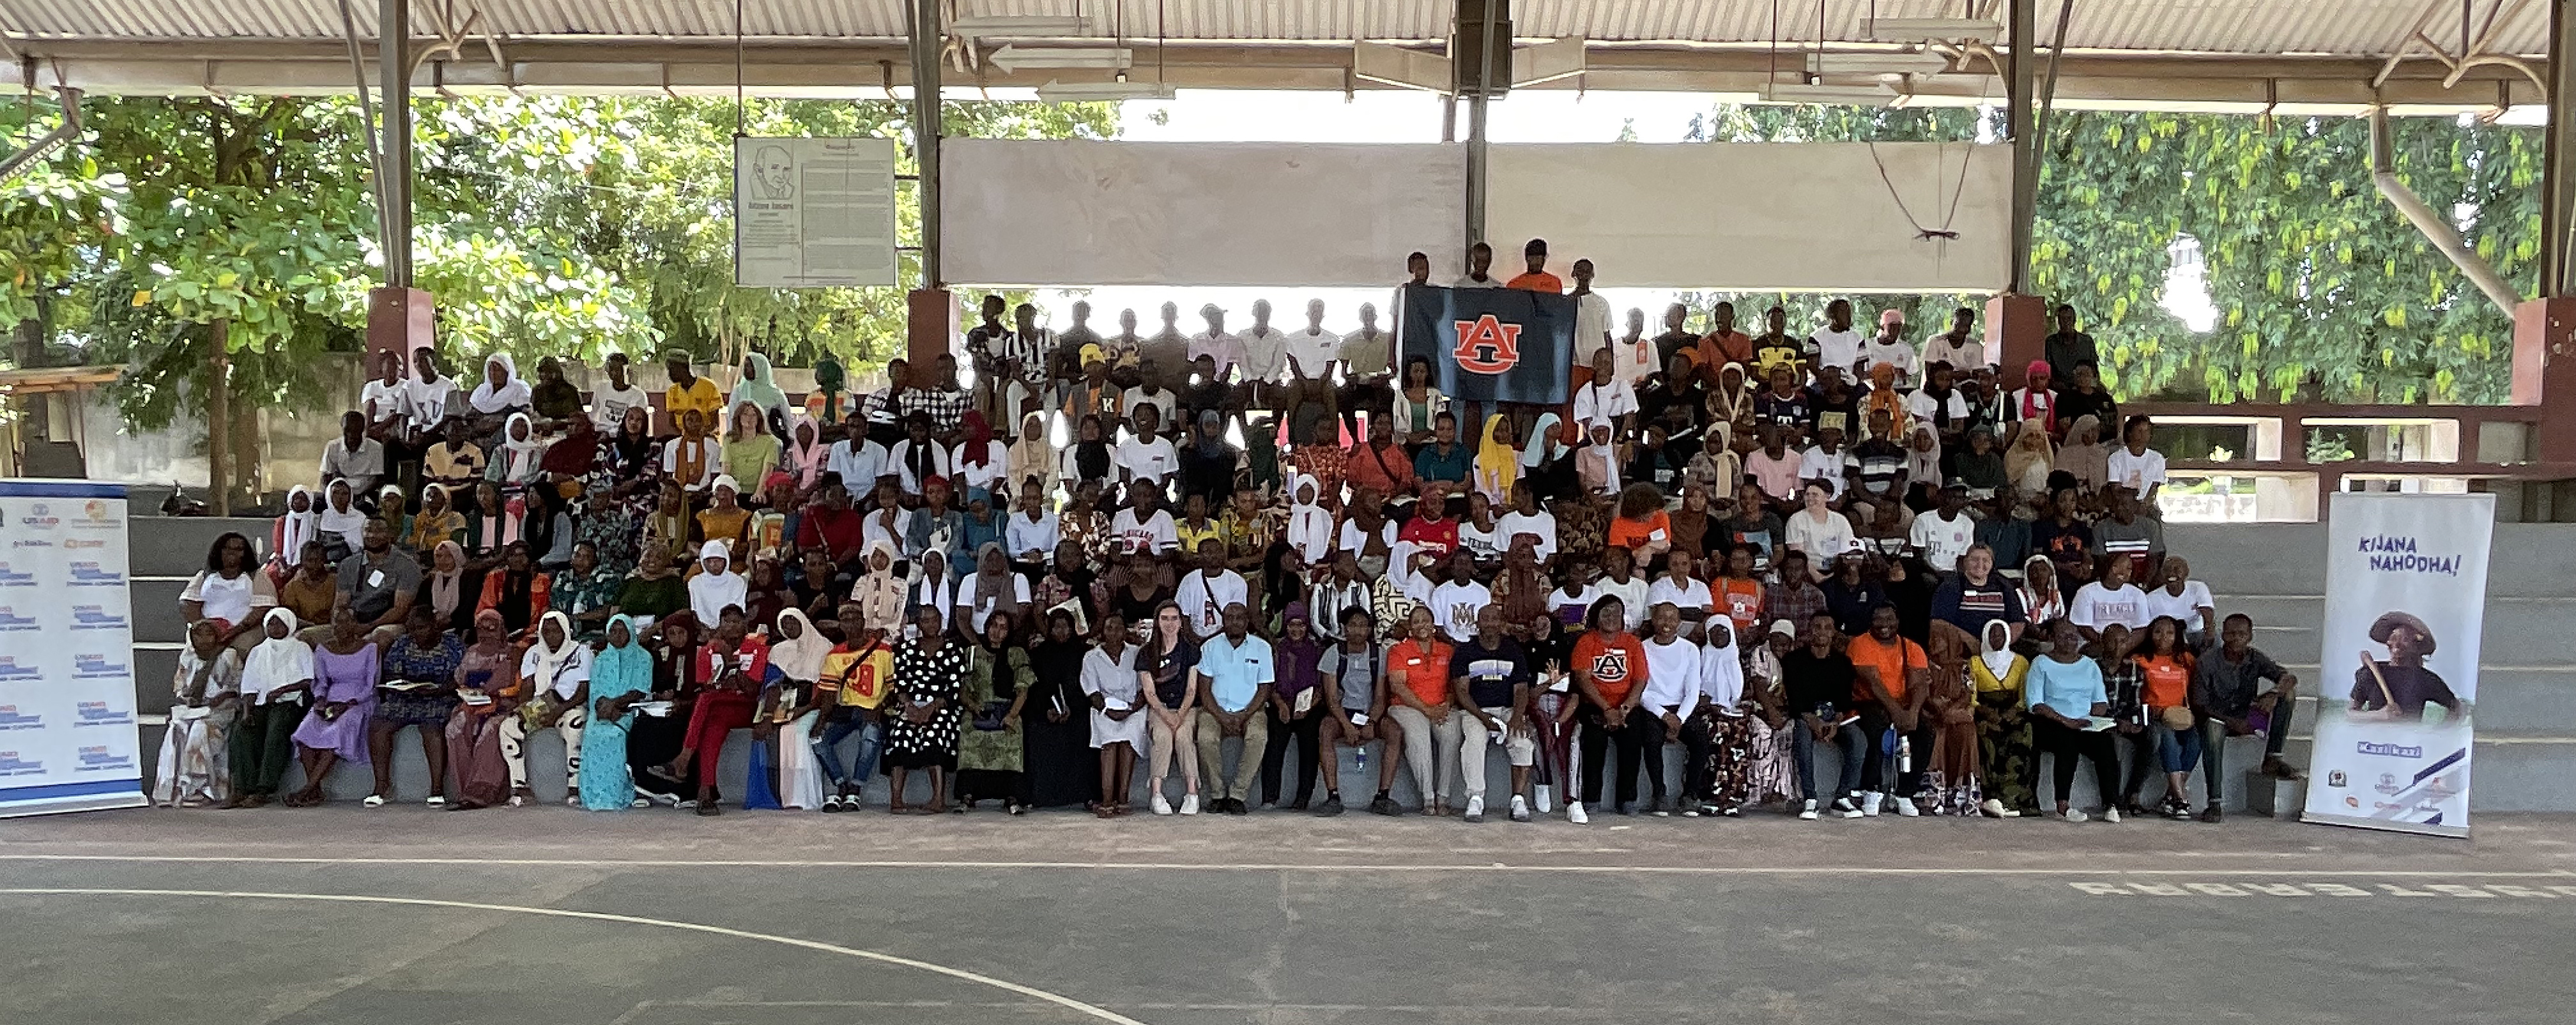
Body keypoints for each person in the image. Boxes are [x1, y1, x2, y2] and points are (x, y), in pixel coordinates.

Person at [2190, 613, 2304, 819]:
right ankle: (2215, 802)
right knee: (2214, 729)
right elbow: (2199, 705)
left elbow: (2288, 677)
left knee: (2288, 693)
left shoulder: (2255, 657)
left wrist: (2273, 693)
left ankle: (2272, 758)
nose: (2236, 639)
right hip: (2217, 718)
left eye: (2241, 634)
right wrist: (2231, 721)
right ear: (2223, 635)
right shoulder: (2207, 662)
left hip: (2245, 714)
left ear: (2250, 636)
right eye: (2231, 634)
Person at [282, 608, 379, 807]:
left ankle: (307, 789)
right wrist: (319, 700)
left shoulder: (370, 649)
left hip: (358, 702)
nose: (339, 627)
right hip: (329, 700)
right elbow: (321, 682)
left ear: (354, 625)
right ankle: (316, 791)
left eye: (345, 622)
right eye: (336, 623)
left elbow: (370, 686)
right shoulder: (323, 649)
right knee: (305, 734)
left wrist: (347, 705)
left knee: (336, 734)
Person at [2026, 618, 2121, 821]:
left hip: (2083, 723)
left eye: (2074, 636)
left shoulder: (2090, 666)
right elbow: (2036, 704)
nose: (2071, 640)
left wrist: (2093, 718)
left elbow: (2100, 702)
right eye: (2064, 636)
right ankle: (2063, 805)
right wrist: (2066, 721)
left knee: (2105, 743)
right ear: (2052, 638)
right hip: (2051, 722)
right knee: (2066, 740)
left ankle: (2112, 804)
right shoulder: (2041, 663)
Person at [1569, 596, 1651, 822]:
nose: (1611, 618)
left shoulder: (1633, 643)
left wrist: (1624, 709)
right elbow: (1583, 680)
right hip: (1594, 705)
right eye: (1606, 613)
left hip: (1626, 705)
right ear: (1596, 616)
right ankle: (1591, 798)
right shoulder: (1586, 642)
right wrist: (1606, 709)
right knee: (1594, 741)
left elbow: (1640, 680)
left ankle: (1627, 798)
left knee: (1633, 739)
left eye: (1616, 613)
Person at [1846, 604, 1931, 816]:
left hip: (1903, 705)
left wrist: (1912, 714)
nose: (1884, 625)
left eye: (1889, 619)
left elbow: (1919, 685)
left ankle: (1905, 793)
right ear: (1870, 621)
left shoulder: (1912, 647)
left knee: (1926, 732)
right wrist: (1897, 712)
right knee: (1877, 726)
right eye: (1879, 619)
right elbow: (1873, 683)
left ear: (1898, 621)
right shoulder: (1861, 644)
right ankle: (1871, 791)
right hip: (1868, 702)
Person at [1191, 602, 1275, 814]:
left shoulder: (1262, 648)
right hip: (1214, 710)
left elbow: (1264, 689)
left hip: (1252, 710)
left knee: (1259, 736)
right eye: (1230, 617)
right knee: (1206, 738)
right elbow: (1205, 690)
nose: (1235, 622)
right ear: (1223, 620)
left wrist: (1245, 715)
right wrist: (1221, 716)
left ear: (1247, 621)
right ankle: (1218, 794)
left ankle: (1238, 794)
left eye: (1240, 618)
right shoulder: (1209, 647)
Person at [225, 608, 313, 809]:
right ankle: (241, 788)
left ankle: (264, 788)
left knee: (277, 730)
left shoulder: (301, 648)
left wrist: (283, 690)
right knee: (241, 732)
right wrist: (247, 712)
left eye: (280, 624)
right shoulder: (258, 651)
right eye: (271, 624)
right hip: (260, 704)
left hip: (289, 702)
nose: (275, 628)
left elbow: (308, 680)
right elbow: (249, 686)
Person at [1782, 612, 1867, 819]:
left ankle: (1842, 796)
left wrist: (1836, 722)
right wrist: (1813, 721)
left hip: (1835, 719)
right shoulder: (1794, 661)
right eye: (1817, 627)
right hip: (1807, 717)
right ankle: (1810, 799)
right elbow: (1795, 698)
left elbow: (1845, 700)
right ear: (1809, 631)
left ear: (1834, 633)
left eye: (1827, 628)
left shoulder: (1843, 663)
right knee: (1801, 734)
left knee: (1858, 738)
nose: (1822, 632)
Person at [1316, 606, 1398, 816]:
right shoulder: (1333, 654)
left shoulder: (1378, 655)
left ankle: (1383, 796)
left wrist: (1370, 723)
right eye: (1353, 625)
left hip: (1370, 712)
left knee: (1394, 733)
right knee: (1326, 730)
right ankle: (1333, 795)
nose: (1359, 630)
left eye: (1363, 626)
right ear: (1345, 629)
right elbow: (1332, 699)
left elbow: (1380, 697)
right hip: (1343, 712)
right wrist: (1347, 726)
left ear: (1370, 630)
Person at [505, 611, 592, 807]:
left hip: (570, 705)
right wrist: (524, 709)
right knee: (509, 727)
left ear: (565, 632)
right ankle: (520, 786)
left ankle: (574, 787)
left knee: (575, 726)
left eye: (555, 632)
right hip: (542, 705)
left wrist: (558, 712)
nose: (551, 637)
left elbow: (583, 691)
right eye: (546, 632)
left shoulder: (581, 652)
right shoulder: (534, 653)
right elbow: (527, 686)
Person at [153, 619, 241, 807]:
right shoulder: (188, 656)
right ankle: (176, 789)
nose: (203, 640)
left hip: (221, 709)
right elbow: (180, 686)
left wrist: (221, 697)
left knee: (200, 731)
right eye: (198, 635)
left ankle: (201, 788)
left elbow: (237, 686)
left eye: (209, 634)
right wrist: (186, 698)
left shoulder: (228, 655)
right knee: (177, 729)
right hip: (194, 709)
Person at [1384, 605, 1459, 816]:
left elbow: (1455, 686)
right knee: (1419, 737)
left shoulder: (1447, 651)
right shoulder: (1399, 651)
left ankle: (1443, 797)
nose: (1421, 625)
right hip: (1407, 707)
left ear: (1434, 624)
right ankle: (1428, 798)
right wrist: (1427, 710)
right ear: (1410, 627)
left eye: (1425, 620)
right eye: (1416, 622)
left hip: (1441, 707)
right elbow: (1398, 686)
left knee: (1452, 736)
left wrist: (1446, 704)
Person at [955, 612, 1033, 813]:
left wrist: (1012, 715)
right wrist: (973, 707)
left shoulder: (1017, 654)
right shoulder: (973, 653)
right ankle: (968, 794)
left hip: (1007, 708)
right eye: (994, 626)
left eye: (1003, 628)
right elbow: (963, 689)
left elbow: (1023, 690)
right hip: (979, 708)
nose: (997, 632)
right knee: (970, 731)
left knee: (1012, 734)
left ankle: (1012, 796)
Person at [1023, 608, 1099, 810]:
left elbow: (1087, 687)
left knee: (1083, 733)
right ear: (1049, 629)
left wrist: (1072, 708)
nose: (1062, 632)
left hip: (1076, 712)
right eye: (1057, 627)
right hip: (1045, 713)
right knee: (1037, 733)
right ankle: (1040, 796)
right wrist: (1046, 710)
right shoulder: (1038, 654)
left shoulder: (1083, 654)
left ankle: (1086, 795)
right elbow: (1035, 689)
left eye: (1066, 627)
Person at [579, 615, 655, 810]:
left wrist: (615, 706)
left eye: (622, 631)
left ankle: (621, 791)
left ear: (631, 632)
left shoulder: (643, 657)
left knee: (616, 735)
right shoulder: (602, 658)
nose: (617, 635)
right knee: (593, 734)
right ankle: (594, 793)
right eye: (613, 631)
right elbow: (596, 691)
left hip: (630, 711)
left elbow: (640, 690)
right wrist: (604, 708)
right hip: (603, 711)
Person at [1136, 602, 1204, 815]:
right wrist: (1166, 716)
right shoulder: (1146, 654)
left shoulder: (1191, 651)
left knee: (1184, 736)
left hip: (1187, 708)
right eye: (1165, 619)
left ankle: (1192, 794)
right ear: (1157, 622)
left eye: (1174, 619)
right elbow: (1149, 693)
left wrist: (1180, 716)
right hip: (1160, 708)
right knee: (1163, 737)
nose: (1170, 623)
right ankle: (1156, 794)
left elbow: (1192, 689)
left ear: (1181, 622)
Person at [1632, 603, 1699, 816]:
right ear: (1653, 620)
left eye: (1672, 619)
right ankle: (1659, 794)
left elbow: (1693, 692)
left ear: (1679, 623)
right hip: (1654, 708)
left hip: (1682, 709)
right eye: (1662, 618)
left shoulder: (1690, 649)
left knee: (1701, 741)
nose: (1666, 624)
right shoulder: (1642, 648)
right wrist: (1664, 716)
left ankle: (1690, 795)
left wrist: (1678, 719)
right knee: (1652, 740)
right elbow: (1642, 691)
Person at [1968, 618, 2038, 817]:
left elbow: (2024, 696)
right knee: (1986, 737)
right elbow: (1971, 696)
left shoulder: (2021, 662)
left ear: (2008, 636)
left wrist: (2014, 711)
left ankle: (2015, 799)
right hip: (1986, 713)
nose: (1996, 638)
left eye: (2000, 634)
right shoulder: (1975, 662)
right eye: (1992, 634)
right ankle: (1991, 798)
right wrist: (1984, 711)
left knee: (2022, 735)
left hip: (2013, 713)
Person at [1081, 610, 1146, 817]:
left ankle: (1123, 797)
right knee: (1109, 746)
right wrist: (1108, 710)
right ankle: (1108, 799)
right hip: (1105, 710)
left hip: (1132, 709)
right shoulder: (1092, 657)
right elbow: (1092, 692)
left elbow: (1144, 687)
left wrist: (1132, 709)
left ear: (1126, 632)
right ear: (1102, 632)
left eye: (1119, 628)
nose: (1114, 632)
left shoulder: (1136, 653)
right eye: (1109, 628)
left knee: (1128, 743)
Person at [2351, 610, 2461, 720]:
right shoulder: (2370, 673)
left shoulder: (2425, 679)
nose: (2397, 644)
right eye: (2394, 638)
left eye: (2405, 640)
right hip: (2372, 736)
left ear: (2415, 646)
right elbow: (2350, 714)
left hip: (2409, 737)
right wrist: (2379, 715)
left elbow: (2457, 708)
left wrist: (2440, 733)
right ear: (2388, 642)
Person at [182, 531, 277, 655]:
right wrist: (204, 628)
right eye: (226, 548)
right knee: (194, 653)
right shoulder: (205, 575)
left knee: (232, 655)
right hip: (207, 630)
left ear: (245, 553)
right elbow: (187, 603)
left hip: (244, 631)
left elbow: (263, 608)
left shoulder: (257, 576)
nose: (232, 552)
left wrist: (233, 631)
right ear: (218, 551)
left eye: (238, 549)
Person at [2068, 553, 2149, 642]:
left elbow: (2141, 629)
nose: (2122, 572)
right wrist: (2107, 645)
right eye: (2116, 567)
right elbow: (2083, 627)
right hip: (2095, 644)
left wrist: (2125, 646)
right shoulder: (2086, 592)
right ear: (2107, 567)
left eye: (2128, 569)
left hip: (2127, 645)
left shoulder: (2137, 595)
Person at [1783, 482, 1855, 570]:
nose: (1810, 499)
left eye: (1815, 495)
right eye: (1807, 495)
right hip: (1808, 571)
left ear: (1827, 497)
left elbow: (1847, 550)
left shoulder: (1840, 520)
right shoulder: (1795, 520)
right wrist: (1818, 578)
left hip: (1837, 570)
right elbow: (1799, 558)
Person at [2042, 304, 2097, 390]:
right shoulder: (2051, 342)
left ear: (2074, 321)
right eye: (2062, 319)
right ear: (2058, 322)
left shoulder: (2087, 342)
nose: (2066, 323)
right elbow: (2047, 370)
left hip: (2083, 389)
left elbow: (2094, 369)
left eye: (2069, 319)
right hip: (2060, 390)